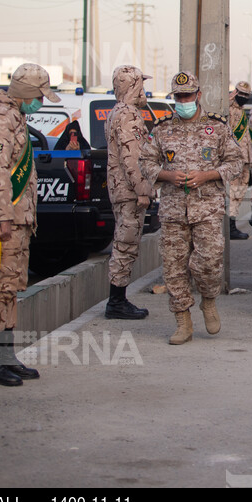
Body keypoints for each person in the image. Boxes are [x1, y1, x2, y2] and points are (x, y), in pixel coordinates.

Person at [140, 72, 243, 344]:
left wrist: (207, 175)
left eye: (188, 95)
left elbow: (236, 163)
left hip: (207, 208)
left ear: (198, 95)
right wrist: (166, 176)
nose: (183, 101)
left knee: (209, 261)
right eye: (178, 97)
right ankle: (182, 321)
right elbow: (145, 163)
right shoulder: (162, 129)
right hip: (174, 210)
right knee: (174, 267)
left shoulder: (217, 127)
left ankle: (208, 300)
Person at [0, 63, 61, 386]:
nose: (40, 102)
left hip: (18, 218)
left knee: (11, 286)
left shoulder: (16, 116)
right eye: (39, 96)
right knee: (0, 286)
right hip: (5, 220)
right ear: (26, 94)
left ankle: (5, 356)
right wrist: (5, 216)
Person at [103, 65, 153, 320]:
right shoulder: (128, 114)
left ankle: (118, 300)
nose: (144, 90)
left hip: (122, 189)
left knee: (126, 243)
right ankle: (116, 302)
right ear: (133, 85)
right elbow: (132, 157)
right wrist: (143, 189)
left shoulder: (118, 112)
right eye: (141, 84)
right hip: (129, 191)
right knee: (126, 244)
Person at [226, 81, 252, 240]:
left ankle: (232, 224)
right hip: (234, 159)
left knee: (240, 193)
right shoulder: (228, 109)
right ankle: (230, 227)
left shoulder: (241, 110)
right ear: (235, 92)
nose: (243, 97)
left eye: (246, 95)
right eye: (241, 94)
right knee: (233, 193)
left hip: (245, 158)